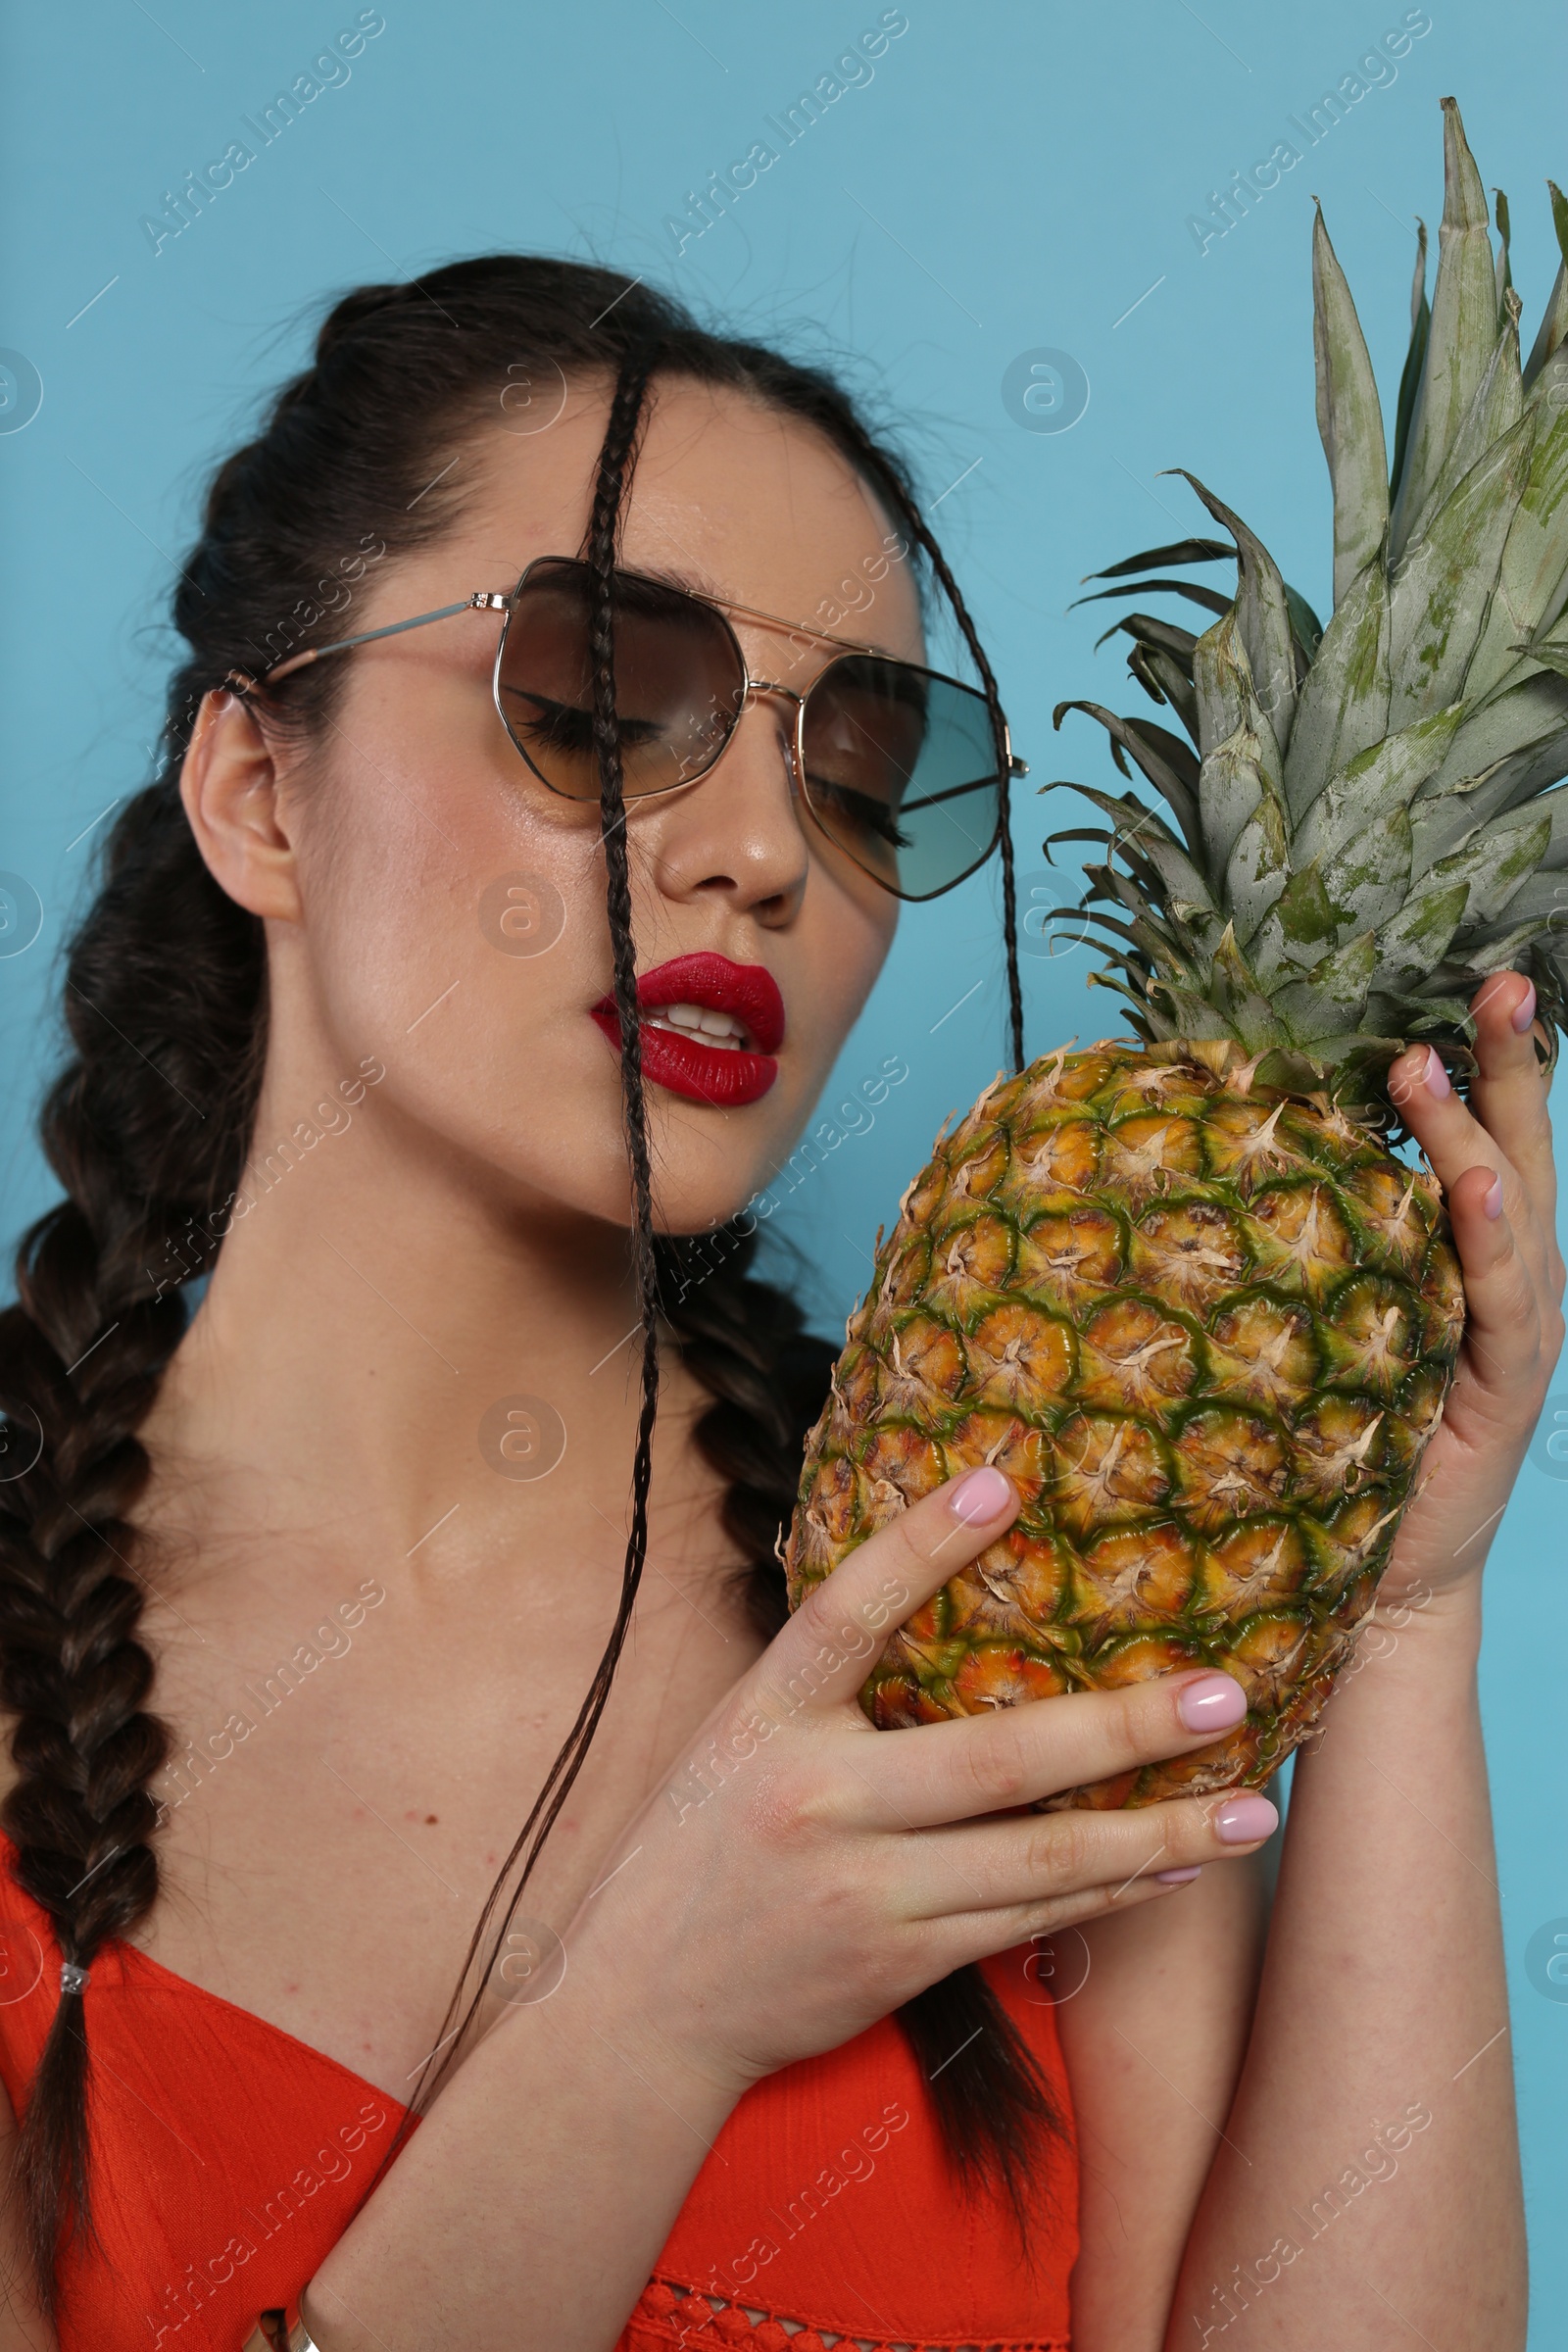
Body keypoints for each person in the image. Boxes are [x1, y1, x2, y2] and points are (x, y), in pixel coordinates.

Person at [0, 259, 1550, 2352]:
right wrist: (652, 2017)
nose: (760, 852)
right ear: (259, 791)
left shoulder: (1018, 1602)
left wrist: (1392, 1613)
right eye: (596, 696)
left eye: (859, 769)